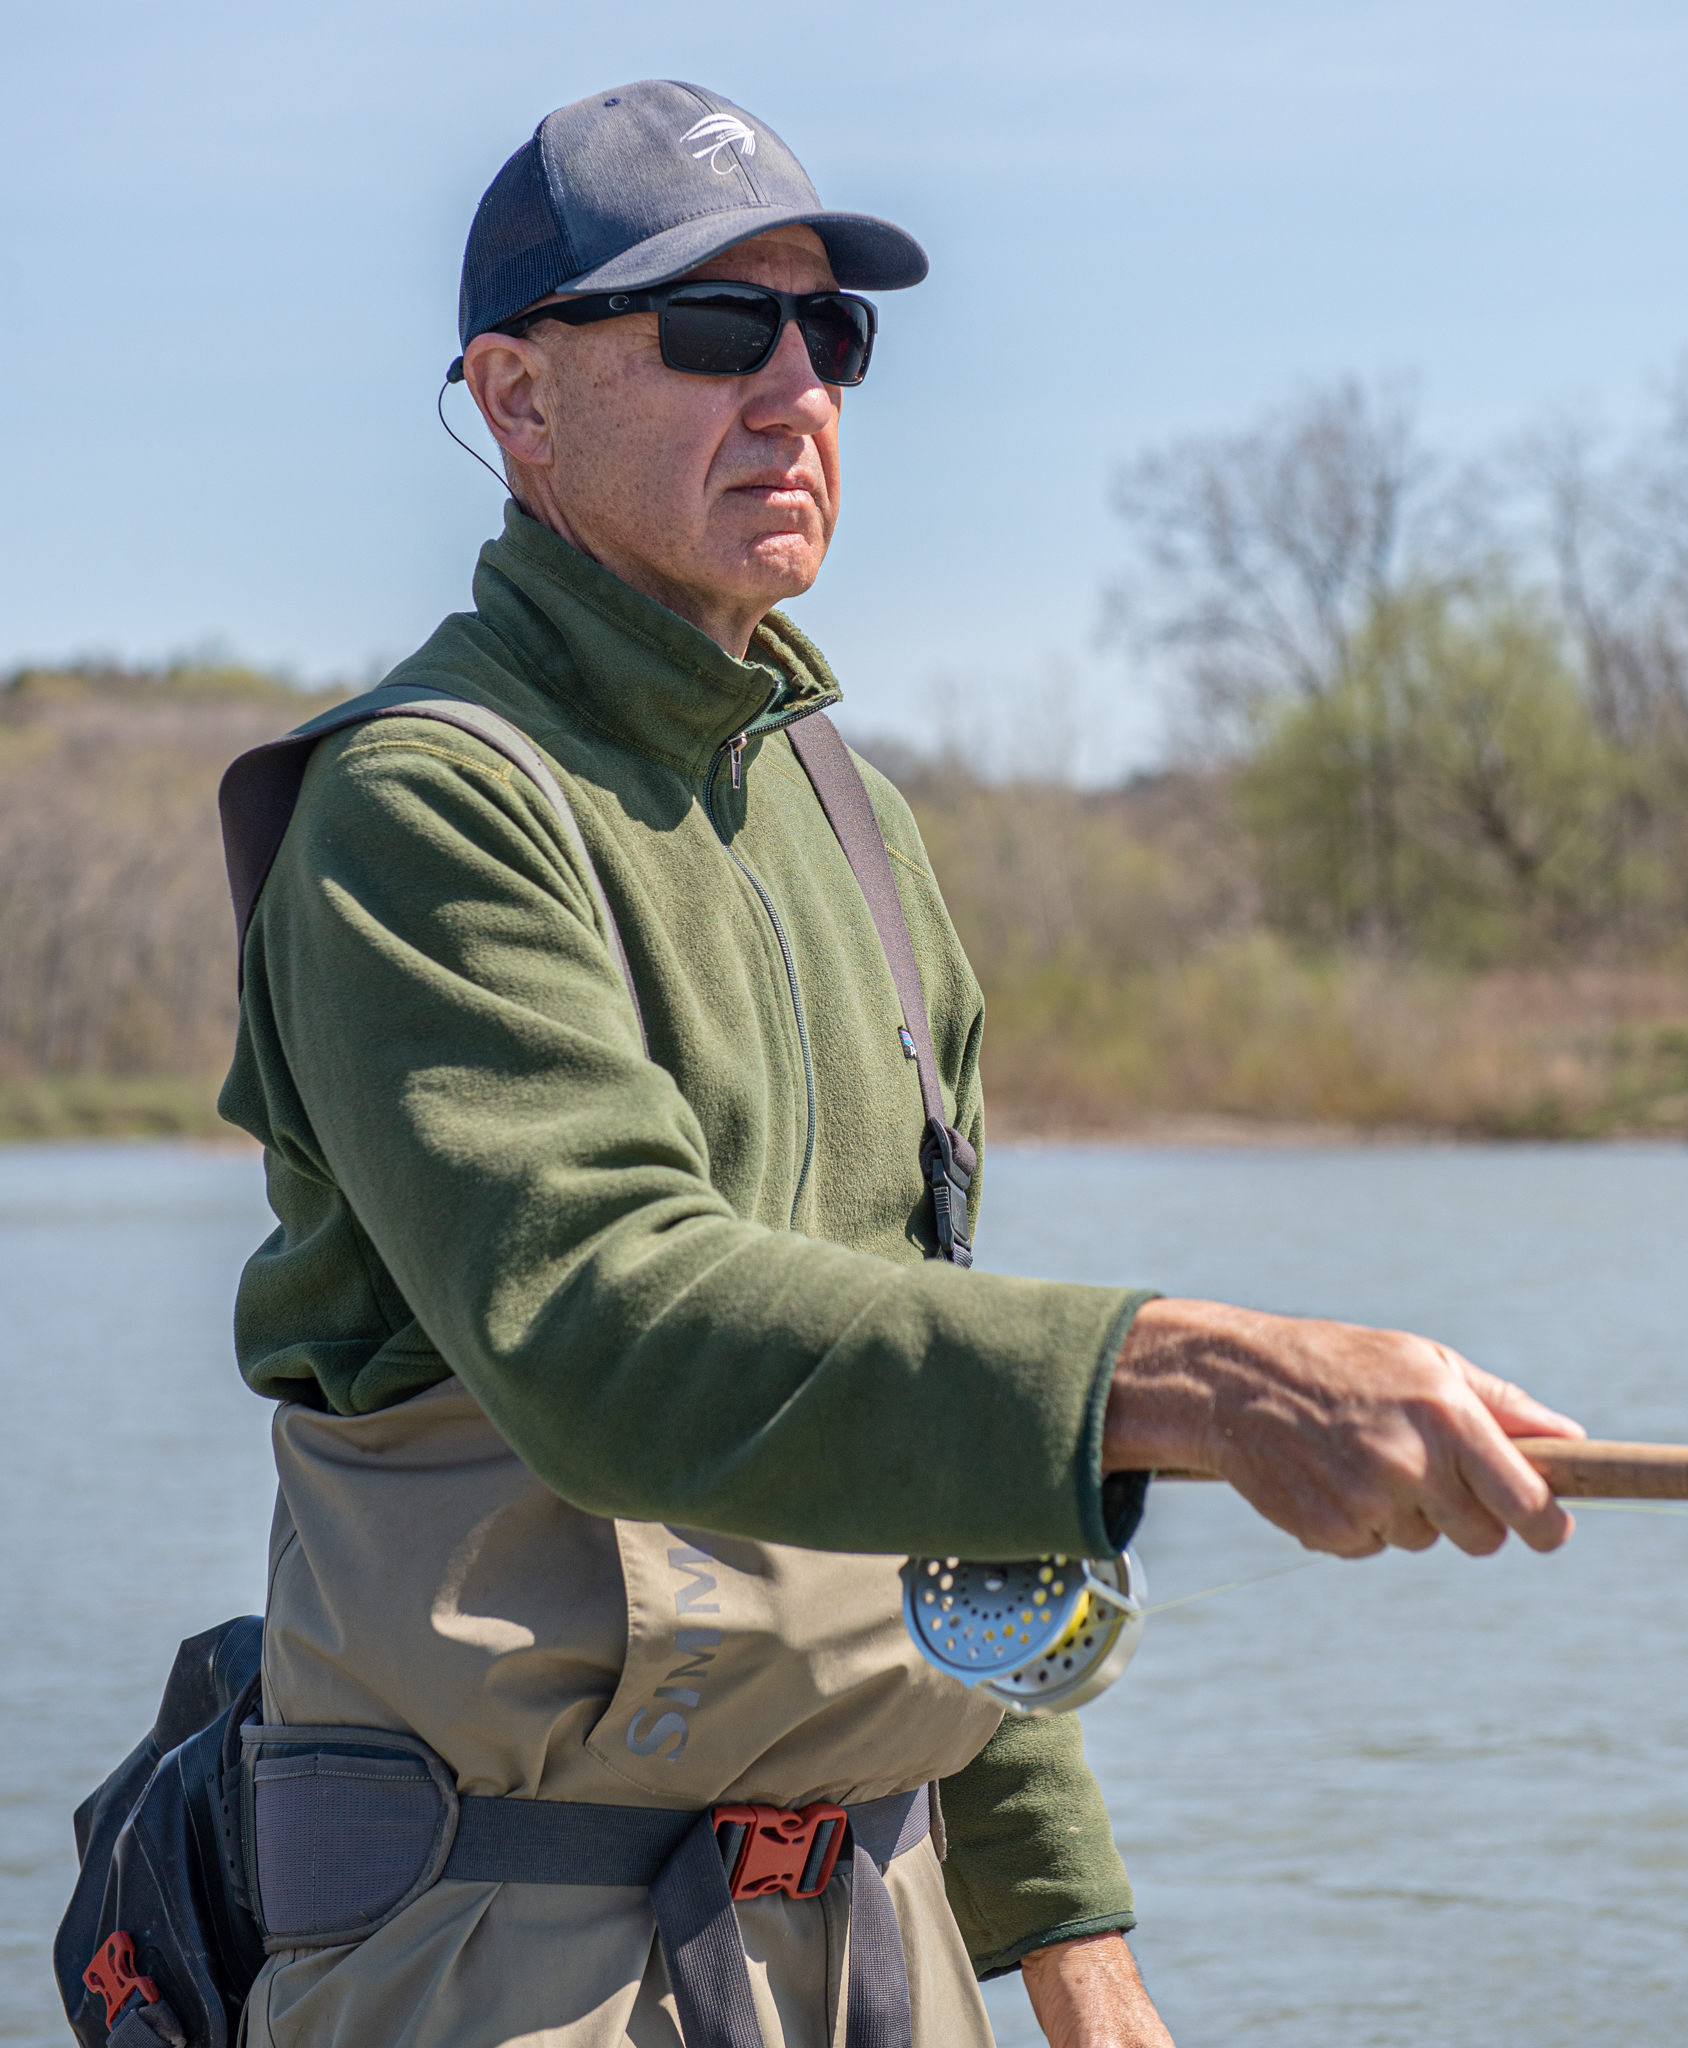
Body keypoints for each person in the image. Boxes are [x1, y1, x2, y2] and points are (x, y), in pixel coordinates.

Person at [217, 79, 1582, 2048]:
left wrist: (1073, 1944)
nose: (795, 391)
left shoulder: (858, 828)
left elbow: (923, 1453)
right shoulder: (422, 807)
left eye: (829, 331)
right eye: (714, 328)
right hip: (504, 1943)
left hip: (886, 1925)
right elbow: (607, 1330)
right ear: (516, 400)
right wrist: (1191, 1379)